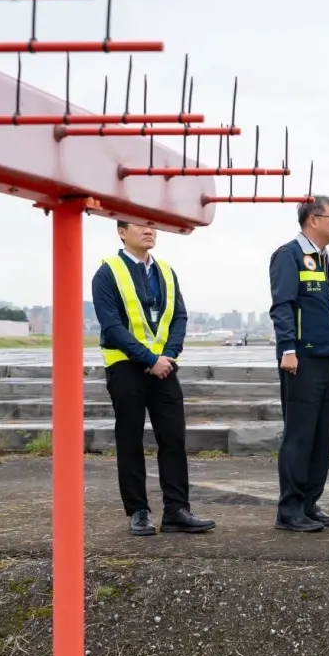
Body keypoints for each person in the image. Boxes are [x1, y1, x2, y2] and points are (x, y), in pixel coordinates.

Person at [91, 221, 215, 536]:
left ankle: (176, 510)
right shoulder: (107, 273)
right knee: (130, 439)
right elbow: (112, 325)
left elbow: (180, 317)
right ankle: (138, 511)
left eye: (152, 226)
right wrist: (148, 359)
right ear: (121, 232)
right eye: (141, 226)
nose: (150, 231)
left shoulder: (167, 272)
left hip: (165, 367)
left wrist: (167, 356)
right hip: (125, 367)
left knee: (174, 437)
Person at [269, 195, 329, 532]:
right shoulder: (289, 255)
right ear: (313, 220)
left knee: (322, 436)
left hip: (328, 355)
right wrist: (287, 349)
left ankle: (310, 502)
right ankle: (289, 509)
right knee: (300, 434)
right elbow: (282, 306)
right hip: (302, 358)